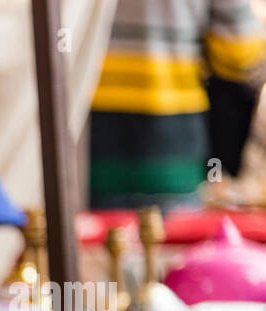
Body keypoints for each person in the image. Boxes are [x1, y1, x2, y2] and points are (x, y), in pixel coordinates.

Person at [89, 0, 266, 209]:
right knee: (169, 236)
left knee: (80, 236)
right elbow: (239, 53)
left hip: (83, 143)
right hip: (171, 147)